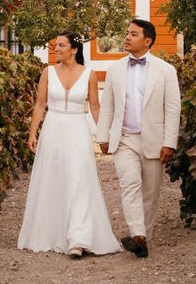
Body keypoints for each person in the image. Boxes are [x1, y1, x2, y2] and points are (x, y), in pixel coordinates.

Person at [17, 32, 121, 259]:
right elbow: (39, 105)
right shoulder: (47, 73)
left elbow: (95, 107)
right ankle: (53, 232)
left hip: (77, 130)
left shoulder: (89, 75)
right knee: (52, 178)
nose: (56, 49)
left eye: (61, 45)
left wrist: (105, 136)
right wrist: (32, 133)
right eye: (55, 45)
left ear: (74, 49)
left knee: (79, 180)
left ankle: (79, 238)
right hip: (53, 128)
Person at [96, 19, 181, 258]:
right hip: (124, 139)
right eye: (126, 33)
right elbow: (108, 106)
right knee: (130, 184)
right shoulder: (115, 69)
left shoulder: (166, 70)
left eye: (133, 34)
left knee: (150, 193)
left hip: (154, 139)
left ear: (148, 41)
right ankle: (137, 235)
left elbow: (173, 109)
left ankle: (144, 238)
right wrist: (103, 136)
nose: (127, 37)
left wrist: (169, 142)